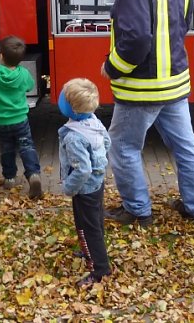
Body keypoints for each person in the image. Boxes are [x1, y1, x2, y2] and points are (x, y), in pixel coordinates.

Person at [101, 0, 194, 227]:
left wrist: (112, 67)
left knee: (123, 146)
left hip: (143, 87)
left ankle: (137, 210)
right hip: (174, 82)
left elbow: (135, 39)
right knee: (186, 146)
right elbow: (183, 23)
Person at [58, 78, 112, 287]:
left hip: (84, 187)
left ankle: (99, 269)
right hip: (96, 183)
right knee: (95, 219)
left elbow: (83, 169)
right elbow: (106, 142)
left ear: (70, 107)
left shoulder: (74, 137)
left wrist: (69, 188)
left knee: (86, 227)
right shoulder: (94, 121)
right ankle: (89, 247)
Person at [0, 35, 42, 198]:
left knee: (7, 148)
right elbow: (30, 86)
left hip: (0, 121)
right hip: (20, 119)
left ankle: (10, 178)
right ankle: (33, 175)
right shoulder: (24, 73)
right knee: (26, 146)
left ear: (0, 55)